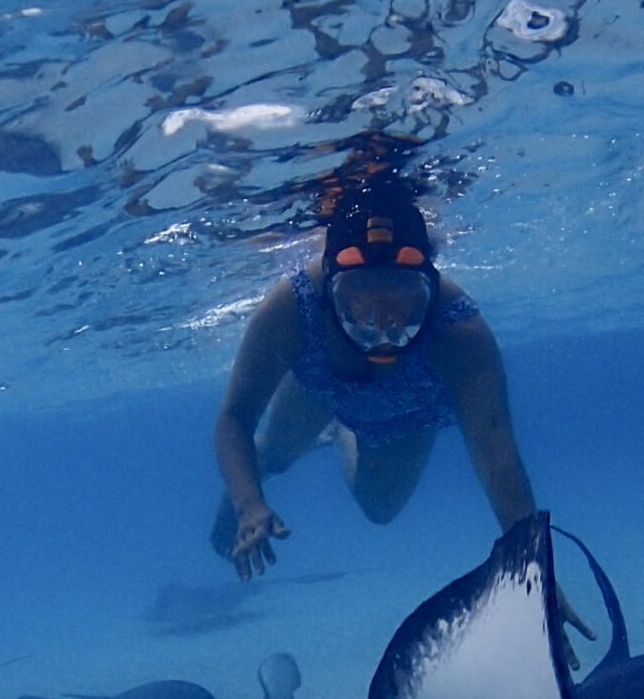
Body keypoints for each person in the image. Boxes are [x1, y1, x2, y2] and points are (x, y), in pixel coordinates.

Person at [211, 164, 567, 590]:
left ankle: (341, 435)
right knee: (272, 456)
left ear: (430, 288)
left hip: (409, 412)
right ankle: (331, 430)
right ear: (329, 290)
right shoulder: (291, 307)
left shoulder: (460, 331)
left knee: (379, 509)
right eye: (359, 299)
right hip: (322, 387)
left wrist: (534, 572)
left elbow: (495, 452)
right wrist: (248, 504)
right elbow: (235, 417)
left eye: (402, 297)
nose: (383, 324)